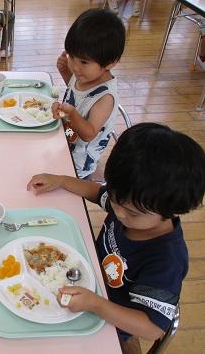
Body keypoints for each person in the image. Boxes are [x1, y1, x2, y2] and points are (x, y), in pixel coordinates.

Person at [27, 123, 205, 353]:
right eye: (115, 200)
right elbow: (96, 192)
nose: (118, 212)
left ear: (173, 211)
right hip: (85, 282)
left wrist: (97, 304)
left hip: (107, 321)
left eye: (131, 212)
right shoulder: (129, 200)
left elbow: (152, 327)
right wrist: (61, 180)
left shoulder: (166, 260)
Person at [53, 8, 125, 179]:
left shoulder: (105, 98)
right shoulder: (83, 75)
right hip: (65, 140)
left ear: (110, 63)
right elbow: (79, 95)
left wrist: (71, 113)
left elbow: (89, 134)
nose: (75, 66)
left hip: (77, 164)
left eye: (84, 62)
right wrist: (66, 74)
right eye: (71, 57)